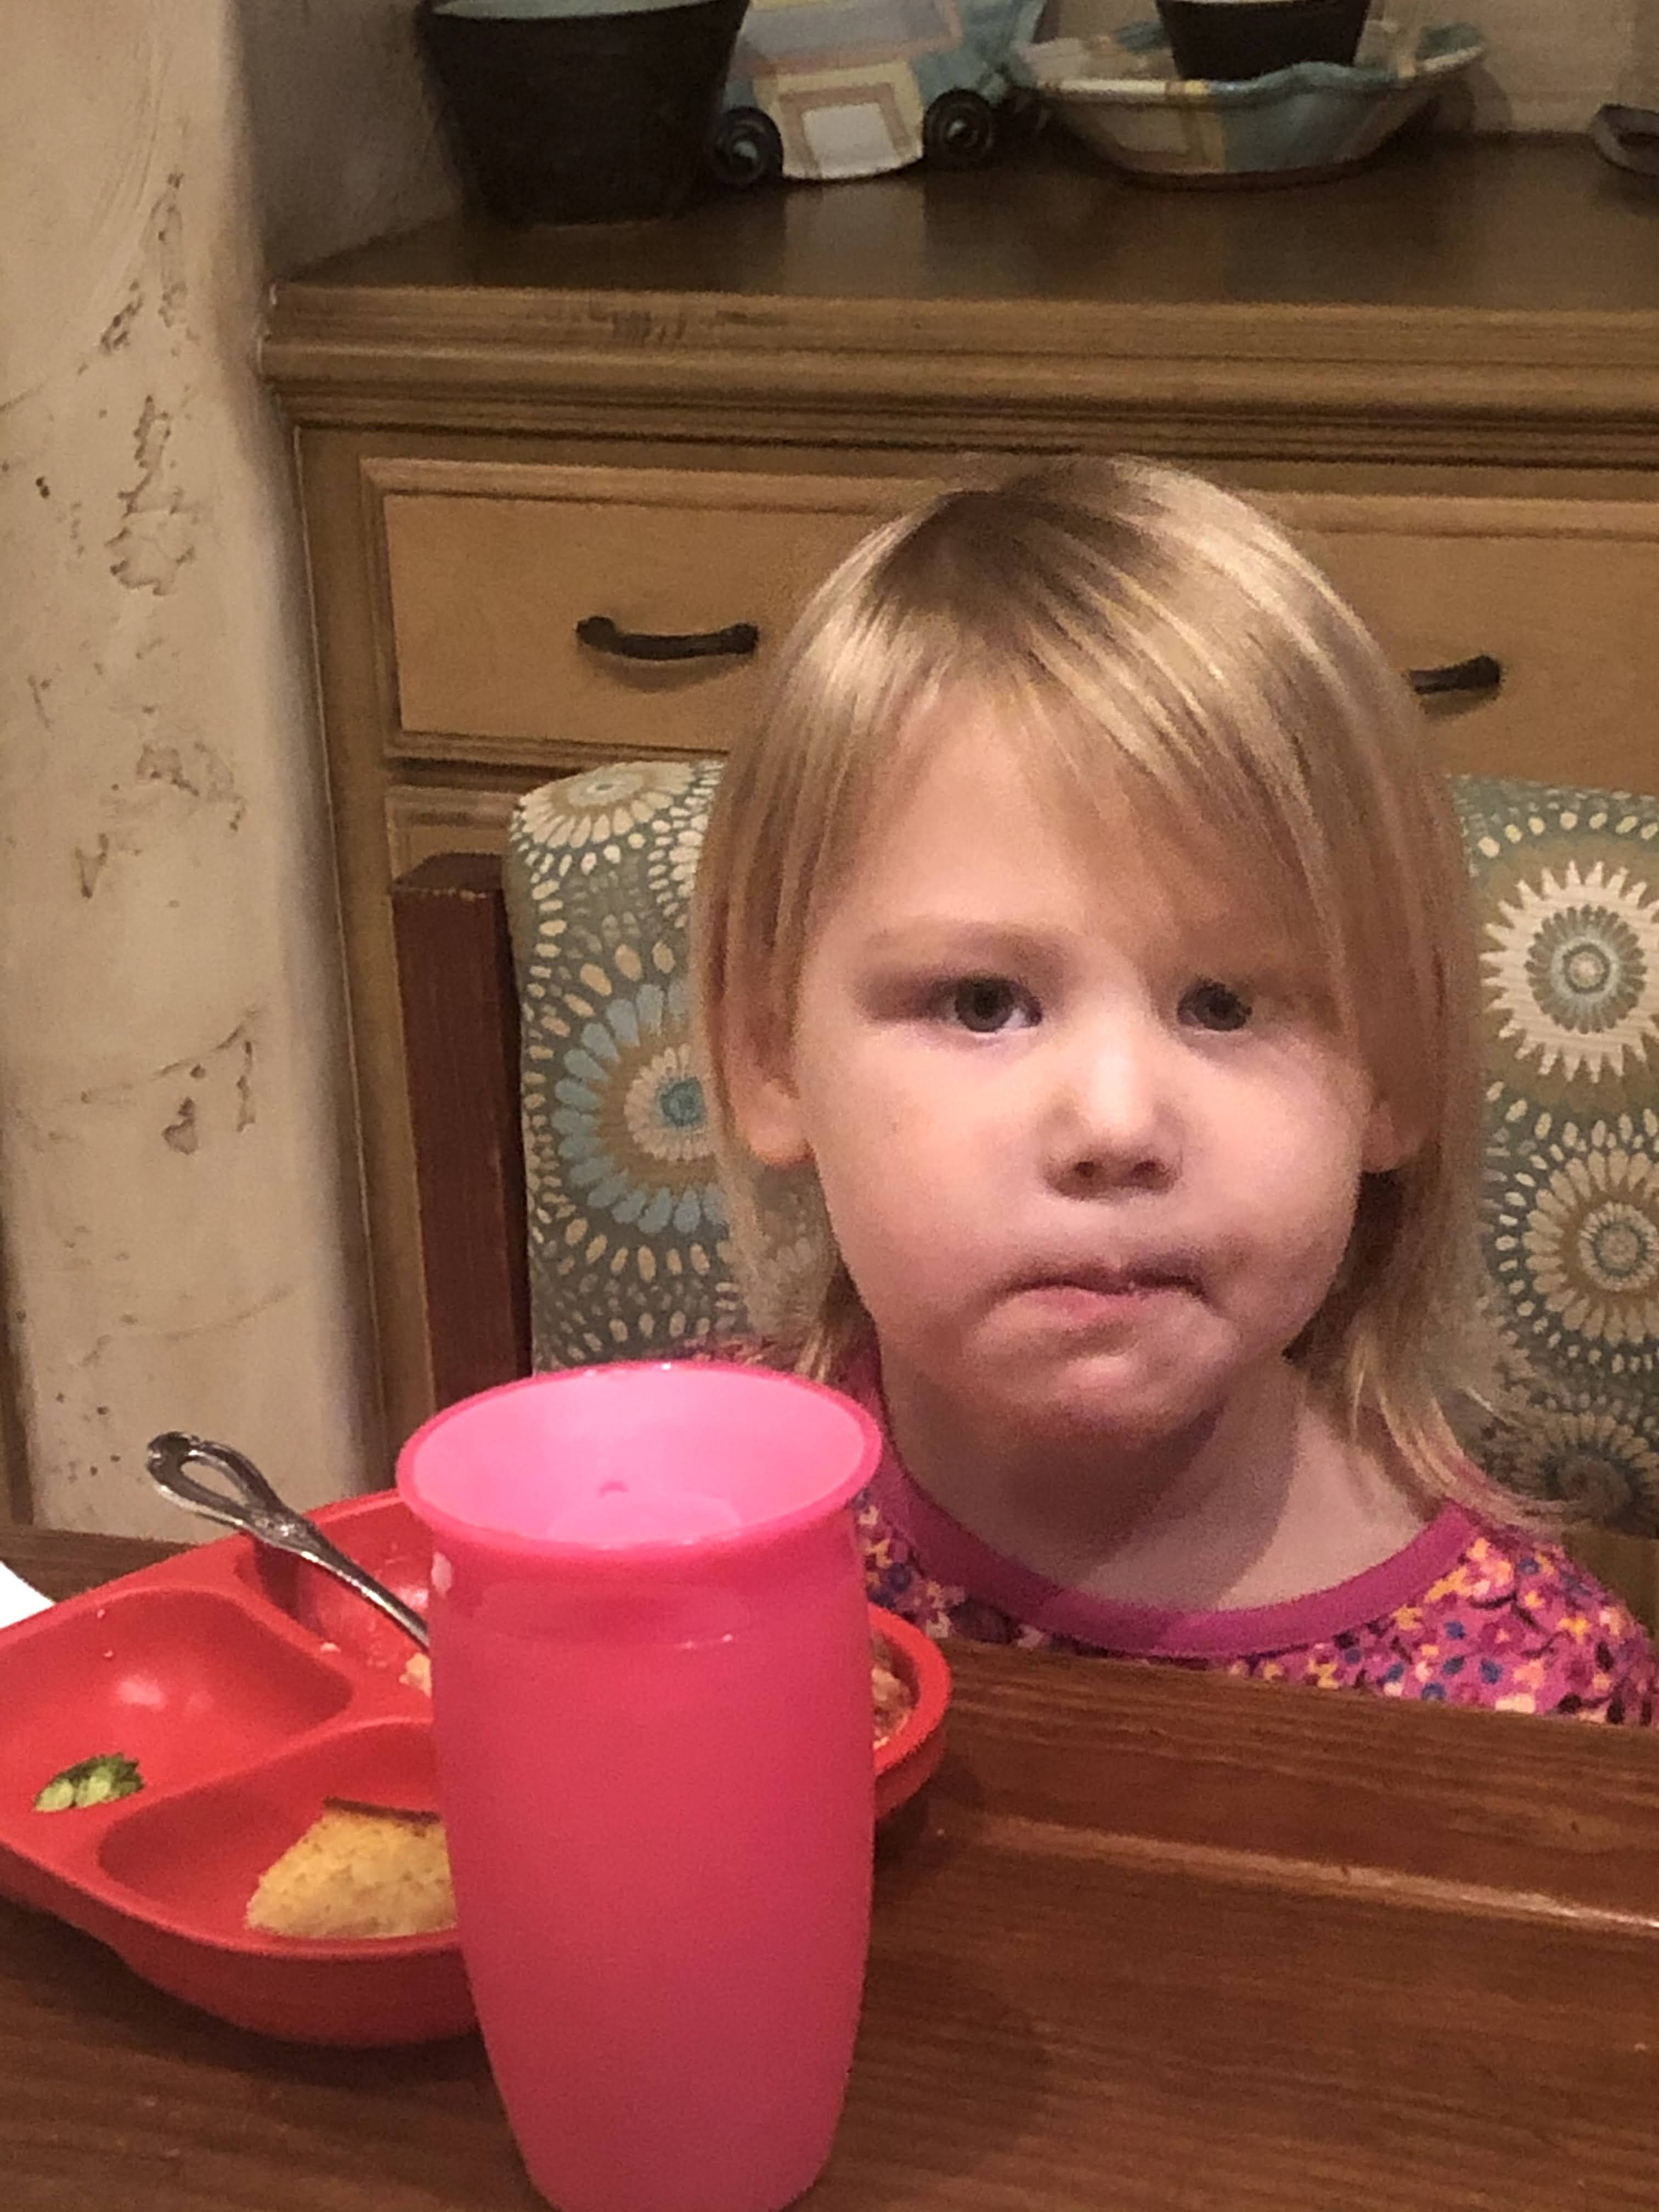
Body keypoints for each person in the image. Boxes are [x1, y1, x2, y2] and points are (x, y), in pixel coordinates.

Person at [691, 458, 1656, 1724]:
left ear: (1393, 1072)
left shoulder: (1538, 1690)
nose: (1116, 1125)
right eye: (983, 1003)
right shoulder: (683, 1515)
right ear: (771, 1057)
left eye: (1226, 1006)